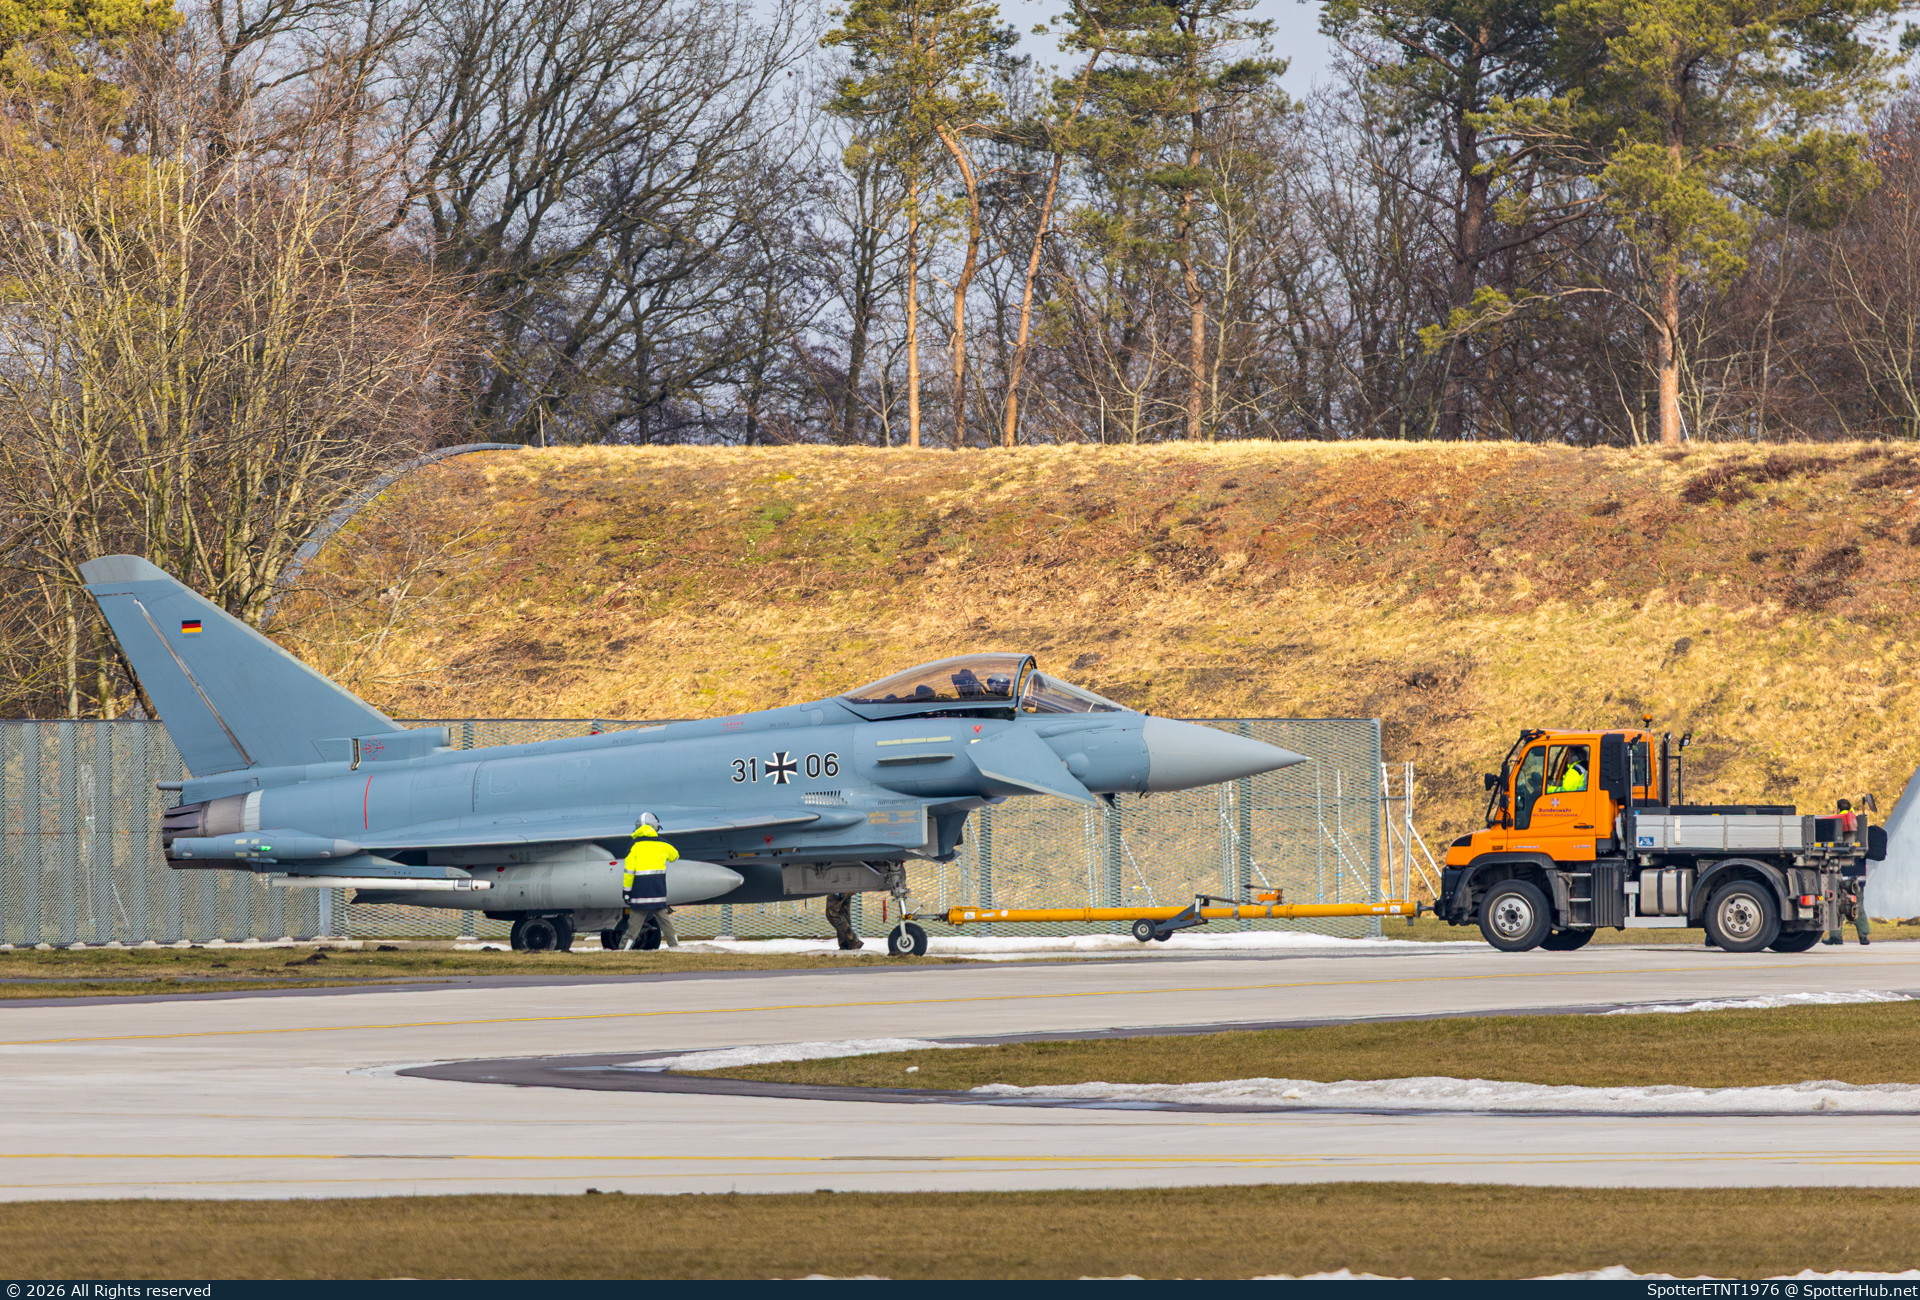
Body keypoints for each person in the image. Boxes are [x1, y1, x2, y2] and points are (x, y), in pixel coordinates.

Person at [621, 813, 678, 948]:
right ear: (655, 826)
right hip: (658, 890)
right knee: (665, 923)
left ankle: (623, 950)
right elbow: (675, 856)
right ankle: (675, 947)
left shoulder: (634, 844)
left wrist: (626, 892)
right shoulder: (662, 843)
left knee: (633, 927)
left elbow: (629, 871)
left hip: (640, 892)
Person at [1825, 799, 1872, 946]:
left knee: (1837, 906)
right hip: (1859, 876)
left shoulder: (1838, 822)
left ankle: (1836, 937)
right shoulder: (1860, 824)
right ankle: (1863, 937)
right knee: (1857, 905)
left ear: (1838, 808)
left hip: (1843, 875)